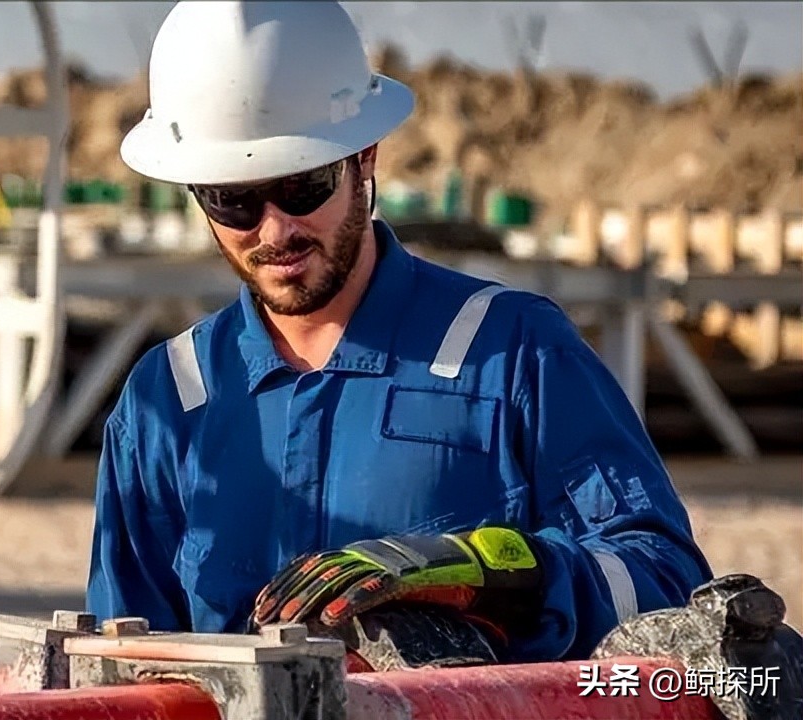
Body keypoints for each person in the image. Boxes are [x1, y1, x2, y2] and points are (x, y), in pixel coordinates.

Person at [85, 0, 711, 662]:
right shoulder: (169, 401)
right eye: (234, 199)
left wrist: (496, 572)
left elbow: (668, 583)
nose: (275, 230)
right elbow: (124, 668)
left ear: (365, 158)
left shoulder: (511, 353)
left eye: (303, 186)